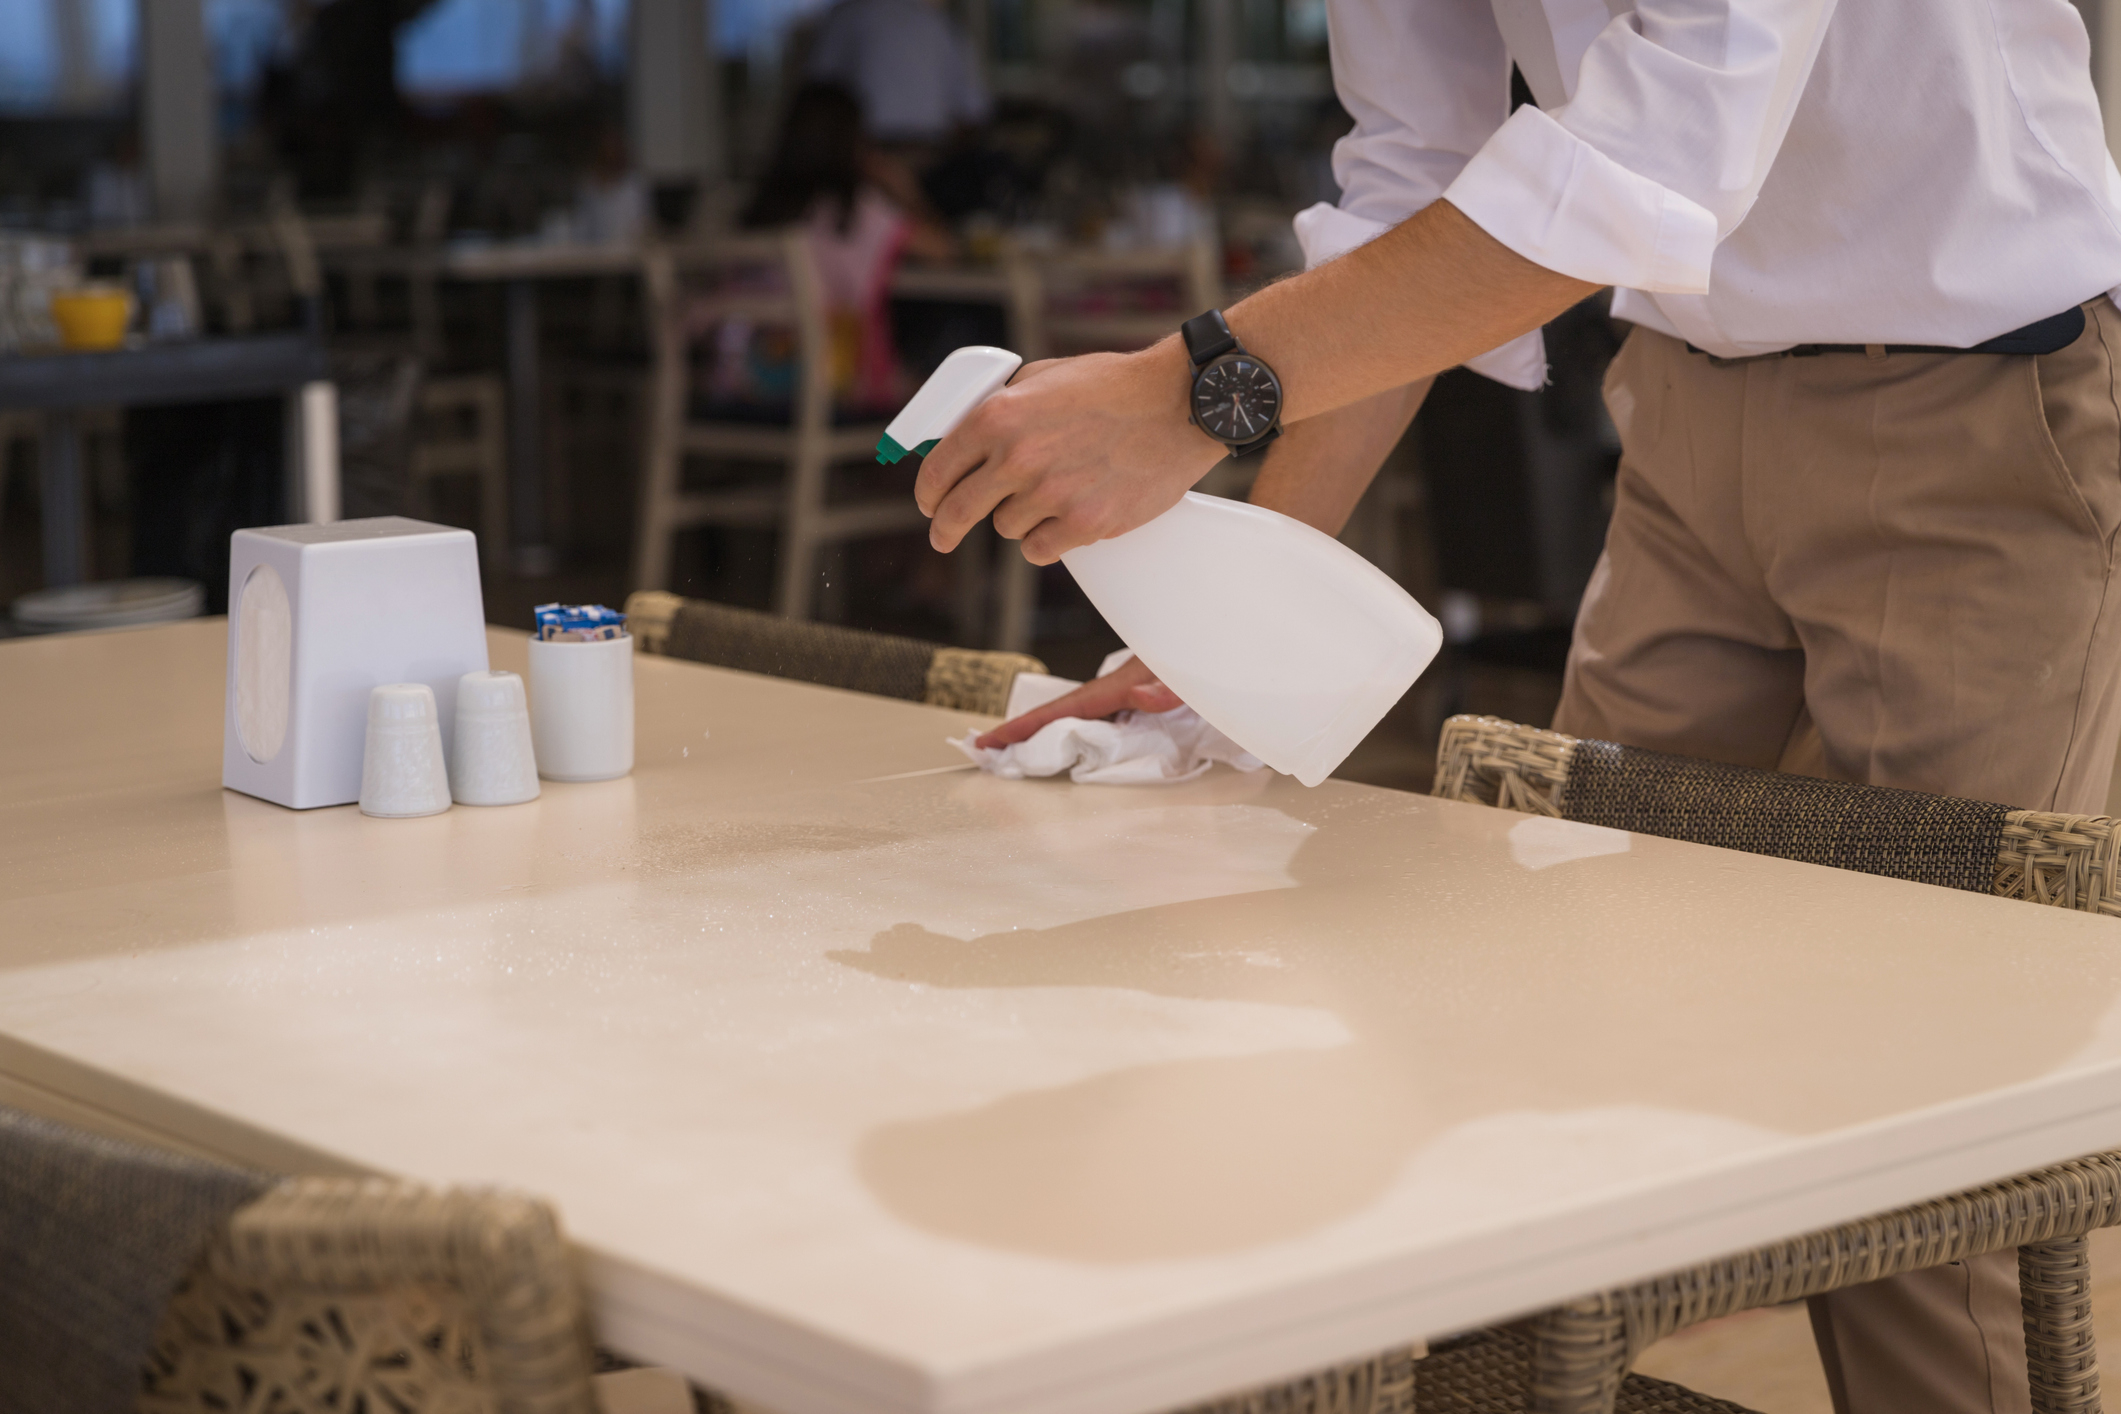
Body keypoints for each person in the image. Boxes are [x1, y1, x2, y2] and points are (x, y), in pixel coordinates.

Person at [913, 3, 2121, 1412]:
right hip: (1677, 416)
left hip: (1979, 407)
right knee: (1545, 1040)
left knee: (1914, 1124)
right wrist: (1242, 614)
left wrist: (1187, 392)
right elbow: (1418, 174)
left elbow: (1655, 147)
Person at [710, 84, 956, 414]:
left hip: (738, 384)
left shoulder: (758, 210)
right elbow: (944, 250)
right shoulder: (858, 210)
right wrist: (905, 190)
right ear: (854, 142)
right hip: (836, 387)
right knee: (951, 391)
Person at [806, 0, 990, 150]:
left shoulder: (846, 15)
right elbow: (974, 110)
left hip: (884, 153)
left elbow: (817, 91)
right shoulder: (940, 24)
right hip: (877, 153)